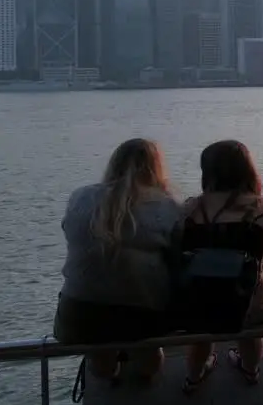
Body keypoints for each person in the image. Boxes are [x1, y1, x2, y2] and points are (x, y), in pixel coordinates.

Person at [55, 138, 182, 384]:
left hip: (78, 315)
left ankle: (107, 372)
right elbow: (177, 258)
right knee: (149, 353)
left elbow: (68, 231)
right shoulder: (169, 207)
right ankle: (145, 372)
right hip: (144, 314)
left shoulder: (80, 197)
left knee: (98, 344)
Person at [180, 140, 263, 393]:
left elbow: (179, 253)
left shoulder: (189, 208)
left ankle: (194, 376)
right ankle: (249, 370)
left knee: (201, 330)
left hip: (198, 293)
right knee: (251, 325)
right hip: (248, 295)